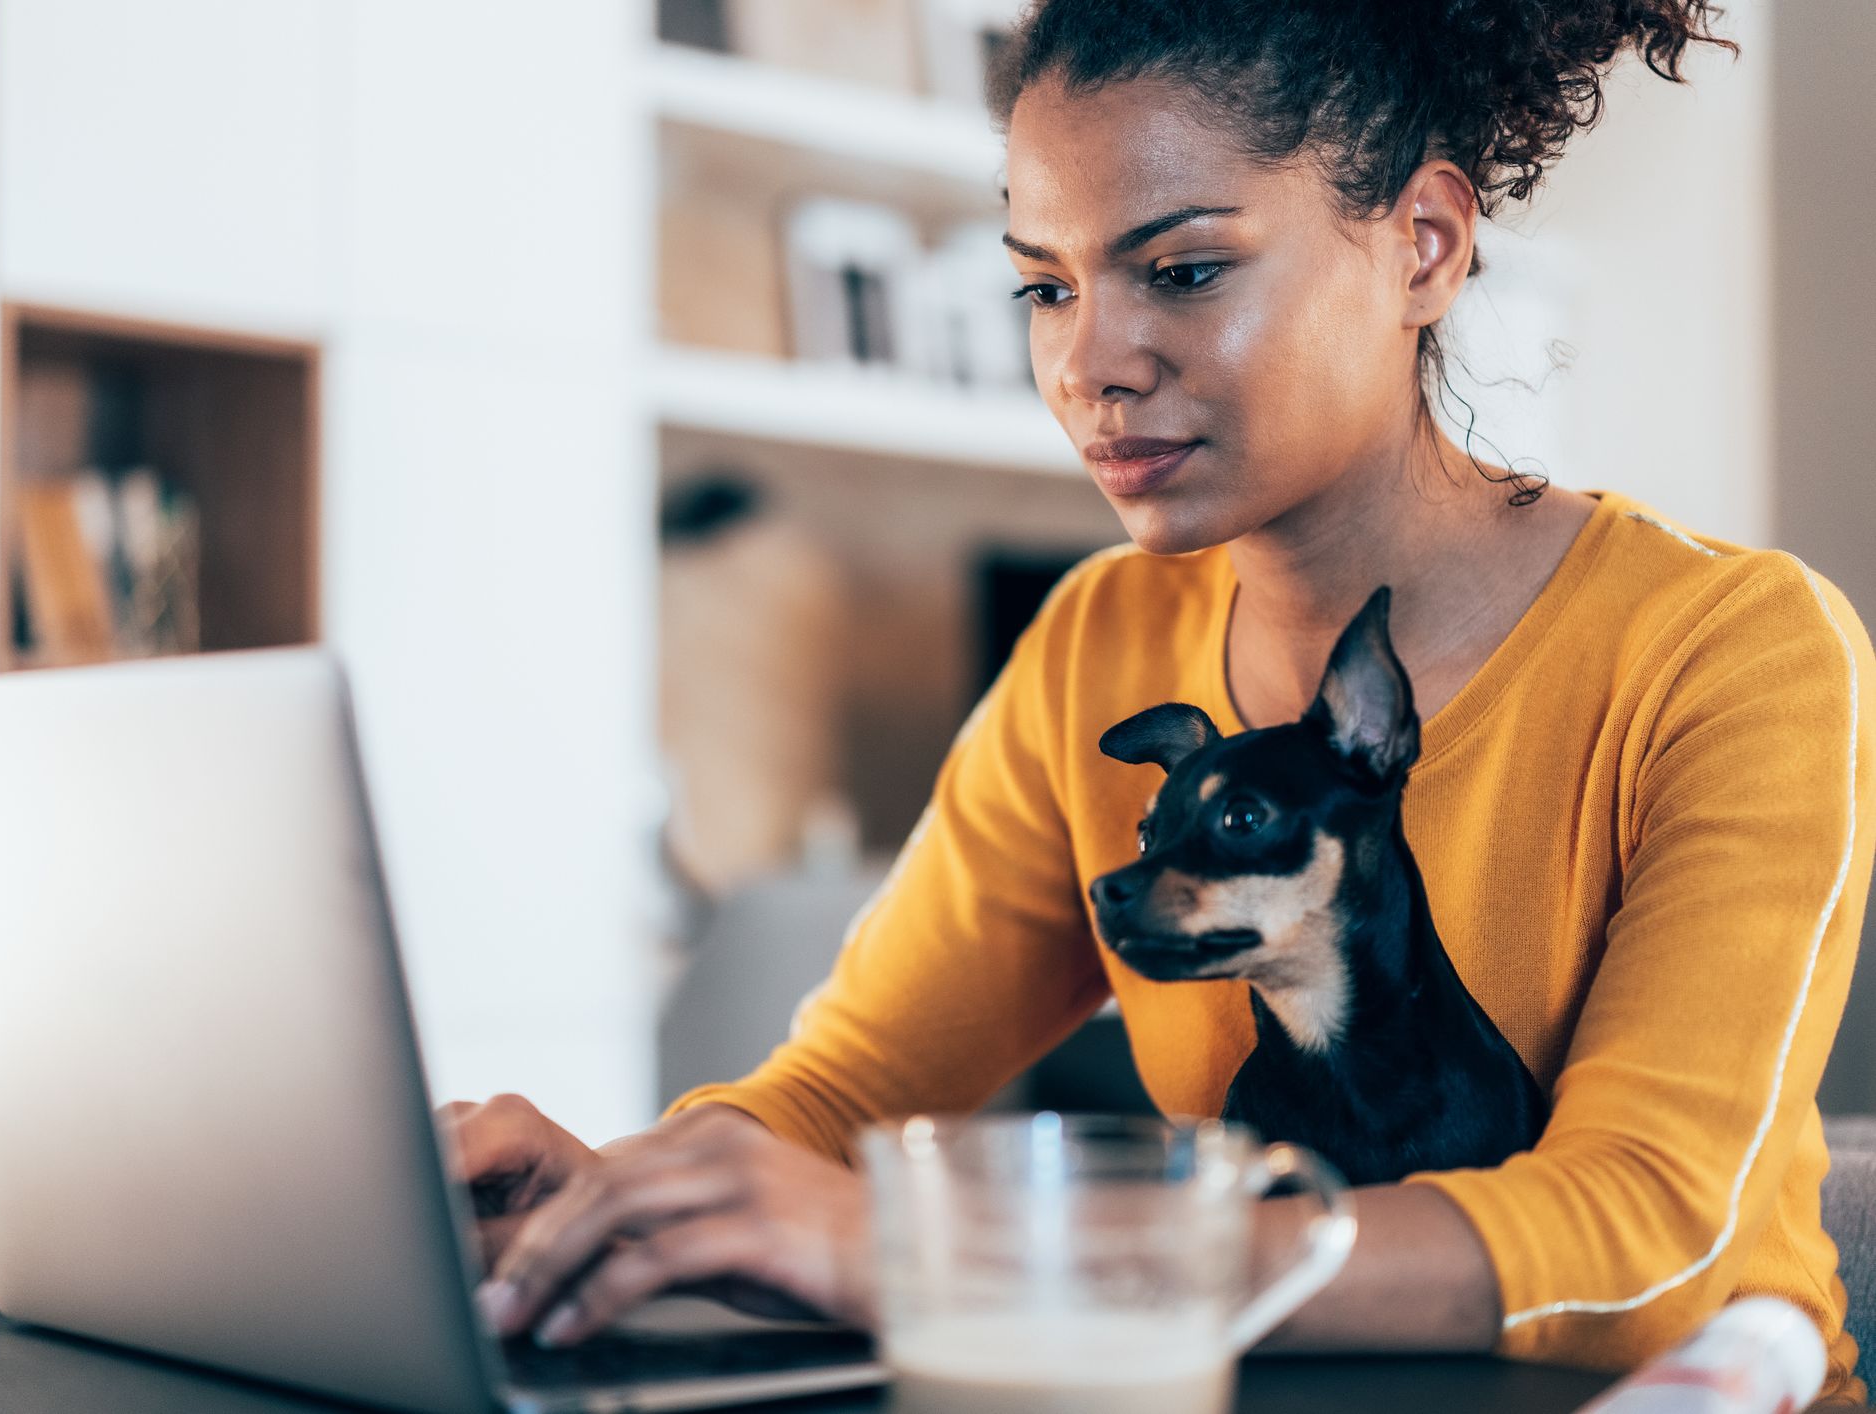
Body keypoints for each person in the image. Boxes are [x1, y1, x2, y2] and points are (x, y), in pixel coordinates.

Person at [448, 0, 1874, 1402]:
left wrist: (963, 1253)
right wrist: (623, 1199)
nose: (1087, 365)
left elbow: (1648, 1234)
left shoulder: (1730, 648)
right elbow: (841, 1097)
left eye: (1182, 271)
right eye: (1045, 286)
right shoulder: (1096, 644)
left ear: (1422, 247)